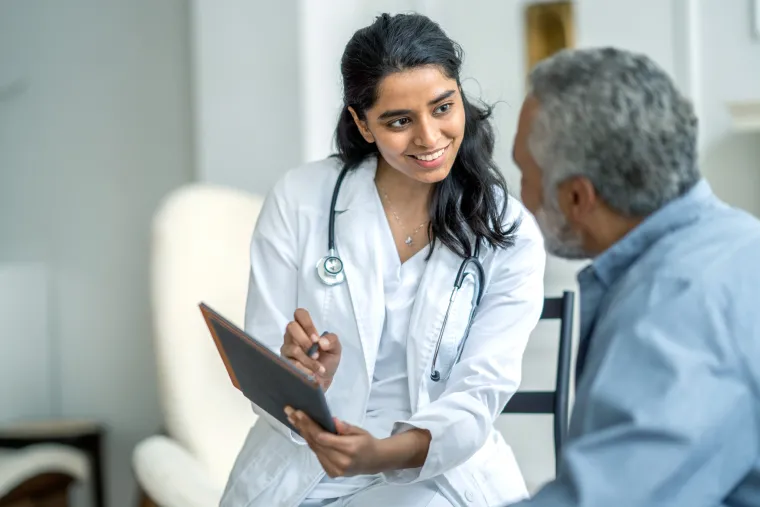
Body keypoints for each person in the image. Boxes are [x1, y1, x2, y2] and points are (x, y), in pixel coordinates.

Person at [219, 12, 546, 507]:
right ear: (361, 124)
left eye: (443, 107)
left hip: (434, 473)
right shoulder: (300, 199)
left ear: (460, 96)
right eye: (399, 121)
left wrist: (383, 453)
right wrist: (300, 380)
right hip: (305, 468)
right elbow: (263, 361)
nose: (429, 137)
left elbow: (479, 393)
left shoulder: (510, 232)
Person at [508, 46, 760, 506]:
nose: (519, 198)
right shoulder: (740, 240)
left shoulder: (674, 307)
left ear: (578, 197)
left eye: (524, 174)